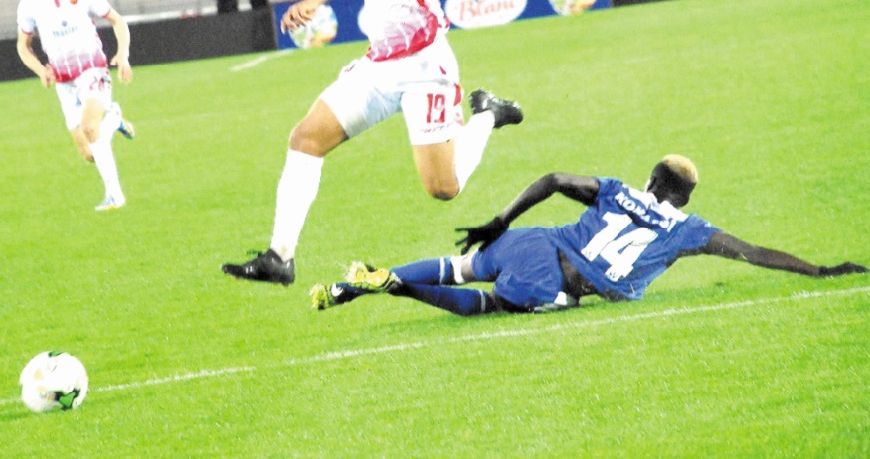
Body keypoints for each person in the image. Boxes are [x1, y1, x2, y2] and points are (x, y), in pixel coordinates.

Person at [221, 0, 523, 286]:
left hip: (423, 69)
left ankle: (488, 114)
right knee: (306, 138)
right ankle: (280, 257)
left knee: (443, 187)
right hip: (379, 66)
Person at [310, 154, 867, 314]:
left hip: (531, 238)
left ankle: (353, 287)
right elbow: (751, 253)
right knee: (482, 307)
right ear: (687, 197)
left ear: (652, 180)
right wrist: (820, 270)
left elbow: (554, 178)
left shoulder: (618, 189)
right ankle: (395, 288)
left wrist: (500, 221)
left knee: (459, 266)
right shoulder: (691, 230)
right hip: (560, 279)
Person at [16, 0, 135, 211]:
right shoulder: (30, 4)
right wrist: (39, 69)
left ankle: (115, 196)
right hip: (63, 81)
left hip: (92, 69)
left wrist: (123, 55)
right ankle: (114, 118)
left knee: (91, 127)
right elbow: (23, 46)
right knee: (88, 153)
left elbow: (118, 21)